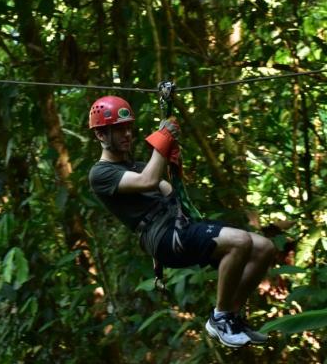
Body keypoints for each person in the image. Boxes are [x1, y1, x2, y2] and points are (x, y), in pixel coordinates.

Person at [87, 95, 276, 347]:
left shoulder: (138, 165)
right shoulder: (101, 174)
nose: (127, 134)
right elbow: (148, 182)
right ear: (101, 135)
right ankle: (220, 318)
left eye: (128, 127)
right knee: (240, 242)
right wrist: (163, 139)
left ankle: (230, 316)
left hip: (179, 225)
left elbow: (166, 188)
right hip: (162, 236)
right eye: (118, 129)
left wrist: (174, 163)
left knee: (264, 248)